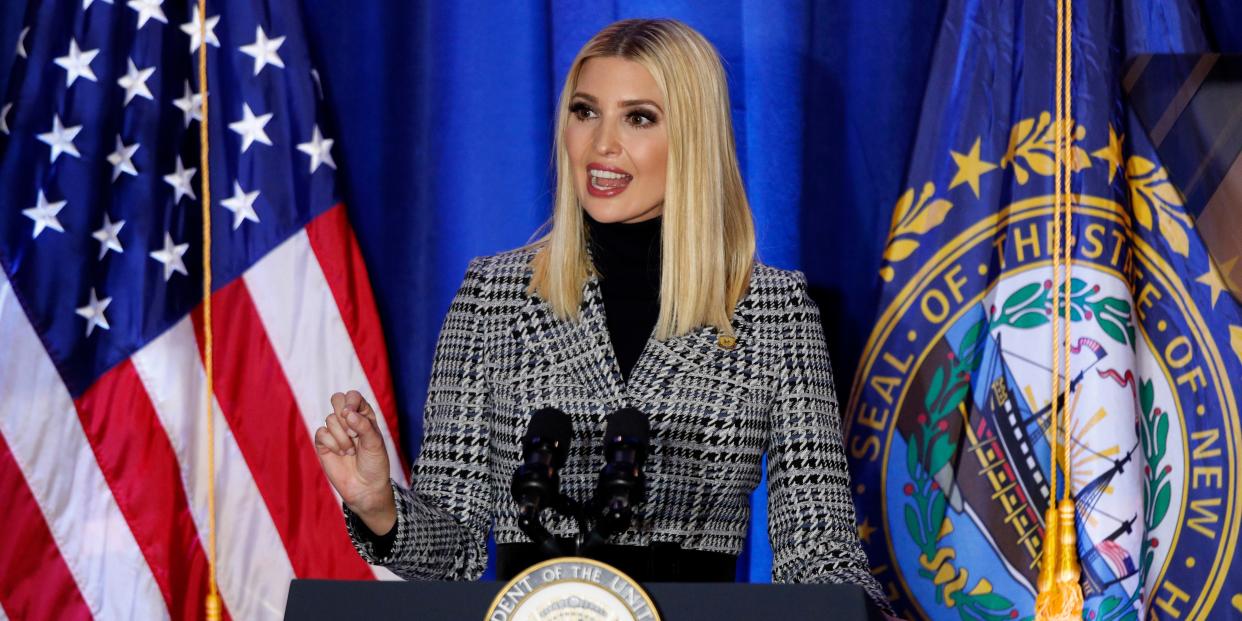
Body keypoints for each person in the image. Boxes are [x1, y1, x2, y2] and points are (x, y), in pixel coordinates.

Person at [316, 17, 890, 610]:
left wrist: (858, 610)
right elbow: (454, 553)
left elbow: (819, 548)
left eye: (638, 118)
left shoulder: (774, 311)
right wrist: (378, 505)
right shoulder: (493, 294)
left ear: (693, 137)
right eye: (585, 112)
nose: (601, 144)